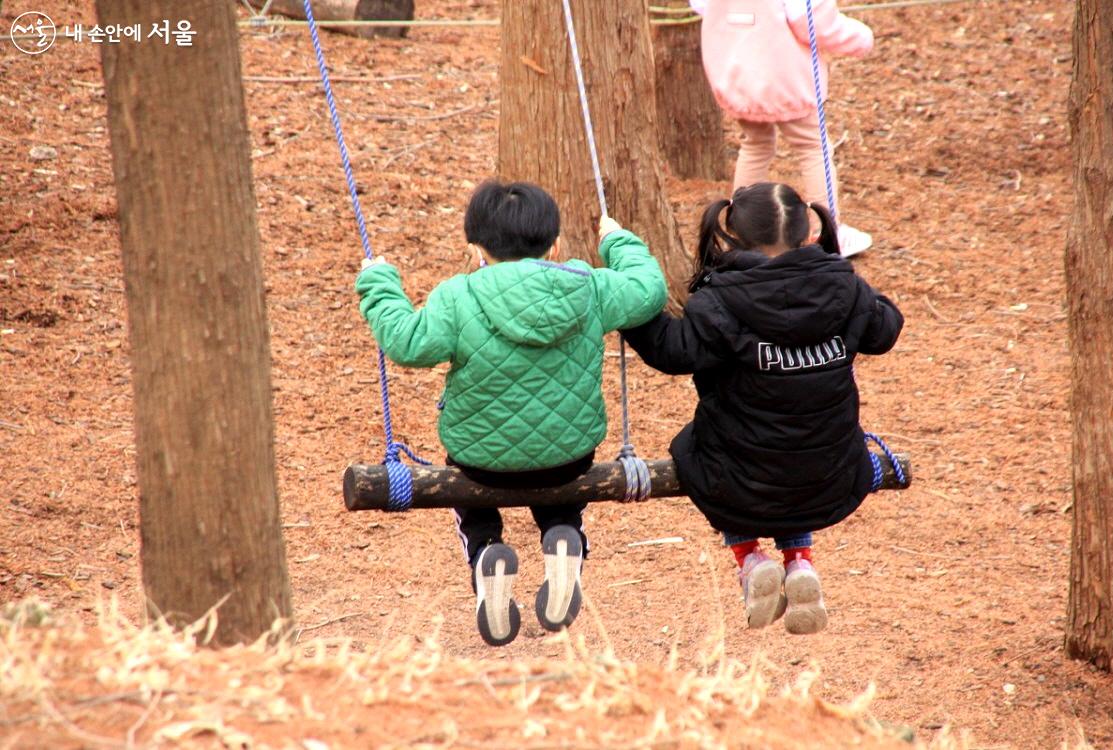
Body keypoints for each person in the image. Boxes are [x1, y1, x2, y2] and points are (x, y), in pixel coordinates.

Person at [356, 180, 667, 646]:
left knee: (473, 498)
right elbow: (649, 289)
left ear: (476, 249)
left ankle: (485, 550)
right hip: (570, 457)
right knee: (559, 486)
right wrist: (617, 240)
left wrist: (380, 284)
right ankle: (564, 535)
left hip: (481, 465)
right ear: (555, 244)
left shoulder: (458, 296)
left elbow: (405, 341)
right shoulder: (587, 287)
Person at [622, 182, 902, 634]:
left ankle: (751, 559)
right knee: (784, 446)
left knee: (699, 446)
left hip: (741, 480)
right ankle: (799, 562)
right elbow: (885, 330)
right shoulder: (843, 286)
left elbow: (670, 351)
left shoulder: (719, 300)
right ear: (808, 232)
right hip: (832, 475)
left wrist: (633, 309)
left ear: (731, 237)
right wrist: (858, 286)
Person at [689, 0, 876, 257]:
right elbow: (814, 21)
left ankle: (741, 231)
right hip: (785, 77)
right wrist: (861, 38)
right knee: (812, 146)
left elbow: (702, 7)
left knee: (755, 143)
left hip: (736, 73)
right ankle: (828, 232)